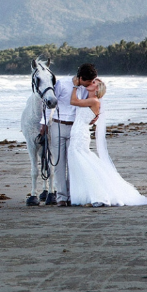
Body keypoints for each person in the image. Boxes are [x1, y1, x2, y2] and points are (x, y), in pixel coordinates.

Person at [67, 79, 147, 206]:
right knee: (77, 160)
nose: (90, 83)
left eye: (93, 83)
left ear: (97, 89)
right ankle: (85, 194)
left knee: (82, 160)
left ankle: (99, 196)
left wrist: (76, 86)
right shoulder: (88, 99)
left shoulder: (94, 101)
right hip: (76, 132)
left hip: (80, 134)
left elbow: (73, 101)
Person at [38, 63, 97, 206]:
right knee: (58, 163)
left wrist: (94, 116)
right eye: (87, 81)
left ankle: (72, 195)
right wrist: (44, 123)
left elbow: (93, 103)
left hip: (75, 127)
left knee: (72, 163)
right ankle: (61, 197)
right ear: (80, 77)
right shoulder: (62, 84)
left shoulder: (87, 88)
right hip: (58, 125)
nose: (90, 84)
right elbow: (50, 104)